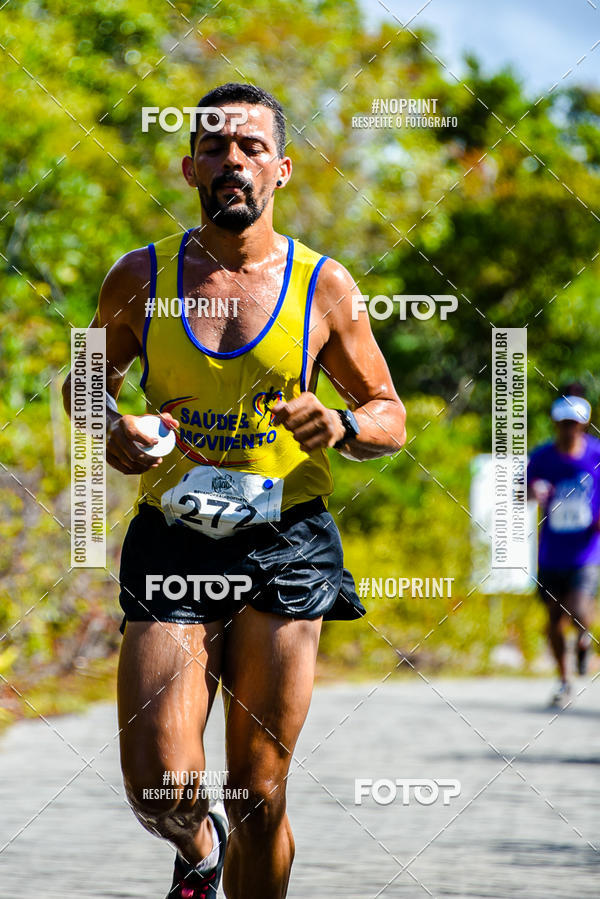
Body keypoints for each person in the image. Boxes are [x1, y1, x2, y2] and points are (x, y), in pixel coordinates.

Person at [62, 82, 406, 899]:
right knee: (160, 788)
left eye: (251, 147)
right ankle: (198, 847)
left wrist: (343, 425)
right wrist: (110, 426)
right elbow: (84, 381)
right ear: (189, 168)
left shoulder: (325, 287)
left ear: (281, 170)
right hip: (174, 538)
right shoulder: (138, 277)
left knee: (257, 790)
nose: (232, 162)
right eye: (214, 147)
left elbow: (389, 414)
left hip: (286, 542)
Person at [527, 383, 599, 709]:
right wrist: (532, 493)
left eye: (575, 423)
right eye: (564, 423)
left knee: (581, 609)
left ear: (584, 423)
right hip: (551, 552)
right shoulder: (541, 458)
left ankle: (584, 638)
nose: (569, 429)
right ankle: (564, 678)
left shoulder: (596, 456)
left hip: (587, 550)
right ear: (556, 423)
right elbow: (520, 494)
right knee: (554, 620)